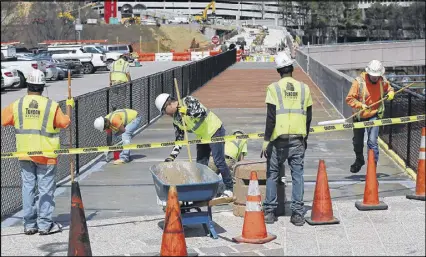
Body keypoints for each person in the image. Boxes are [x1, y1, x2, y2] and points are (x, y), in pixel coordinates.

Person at [1, 69, 73, 235]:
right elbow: (64, 123)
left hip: (25, 153)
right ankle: (44, 225)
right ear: (42, 86)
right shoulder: (51, 105)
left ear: (27, 85)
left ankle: (29, 224)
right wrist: (69, 107)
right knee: (45, 189)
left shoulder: (17, 104)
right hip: (46, 154)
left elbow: (4, 120)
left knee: (28, 188)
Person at [261, 51, 313, 226]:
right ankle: (298, 214)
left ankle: (269, 212)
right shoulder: (304, 88)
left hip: (278, 139)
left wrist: (266, 141)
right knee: (297, 175)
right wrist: (305, 136)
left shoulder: (273, 88)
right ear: (292, 68)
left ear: (278, 71)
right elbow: (309, 116)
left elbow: (271, 117)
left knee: (272, 174)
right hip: (298, 138)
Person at [154, 93, 233, 198]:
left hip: (214, 130)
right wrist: (171, 157)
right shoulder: (176, 120)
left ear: (169, 104)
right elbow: (179, 140)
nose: (166, 114)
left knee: (219, 161)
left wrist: (187, 111)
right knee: (200, 164)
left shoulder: (187, 101)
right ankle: (204, 189)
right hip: (203, 136)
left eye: (164, 111)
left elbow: (202, 112)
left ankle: (229, 188)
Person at [345, 60, 394, 173]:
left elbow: (389, 88)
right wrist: (360, 105)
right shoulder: (358, 82)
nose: (375, 78)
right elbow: (349, 99)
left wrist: (391, 92)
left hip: (374, 116)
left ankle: (372, 168)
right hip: (359, 116)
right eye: (373, 76)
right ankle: (359, 160)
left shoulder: (382, 82)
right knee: (358, 142)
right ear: (368, 73)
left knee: (372, 142)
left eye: (377, 76)